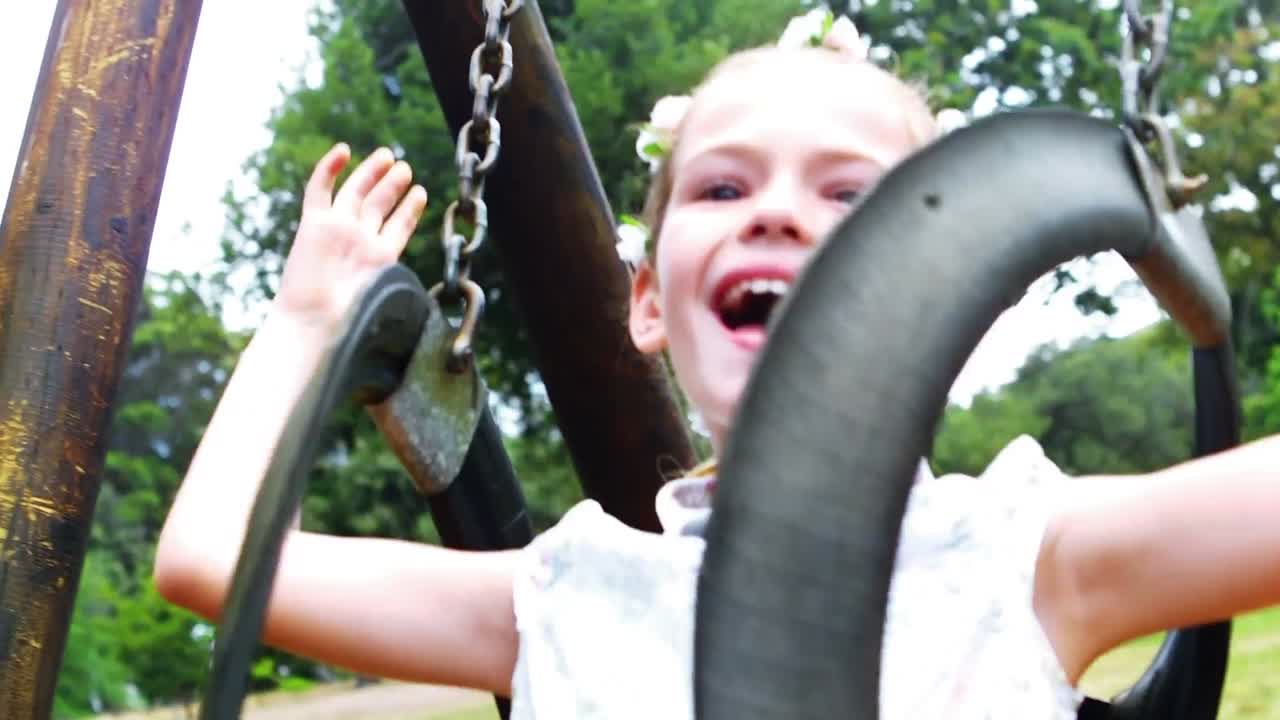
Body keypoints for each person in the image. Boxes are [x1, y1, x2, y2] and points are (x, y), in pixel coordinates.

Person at [155, 10, 1280, 719]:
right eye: (723, 188)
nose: (778, 215)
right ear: (646, 303)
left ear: (962, 280)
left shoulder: (1024, 558)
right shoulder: (559, 598)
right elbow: (212, 561)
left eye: (852, 196)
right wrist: (305, 320)